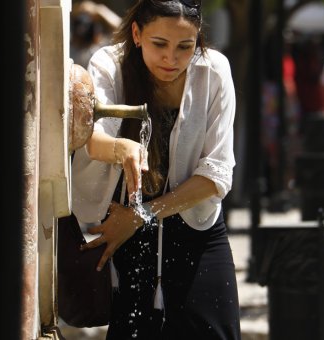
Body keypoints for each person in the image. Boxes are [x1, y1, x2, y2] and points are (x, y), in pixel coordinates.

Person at [71, 0, 240, 338]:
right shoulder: (109, 64)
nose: (171, 58)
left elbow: (216, 174)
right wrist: (123, 147)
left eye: (185, 47)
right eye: (159, 44)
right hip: (121, 230)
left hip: (196, 228)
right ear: (136, 33)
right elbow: (92, 139)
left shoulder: (215, 70)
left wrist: (142, 216)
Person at [70, 1, 122, 68]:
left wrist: (98, 10)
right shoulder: (101, 51)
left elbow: (124, 31)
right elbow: (122, 28)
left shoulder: (100, 49)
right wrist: (99, 10)